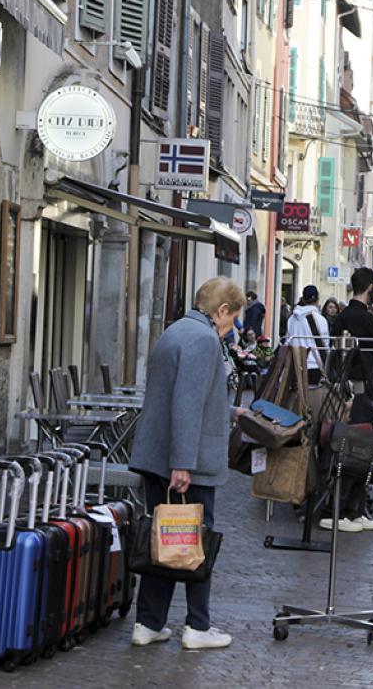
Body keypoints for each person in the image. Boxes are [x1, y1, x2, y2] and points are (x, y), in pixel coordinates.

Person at [129, 276, 246, 650]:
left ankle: (149, 623)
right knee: (198, 541)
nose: (234, 327)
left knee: (162, 538)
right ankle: (197, 625)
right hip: (186, 461)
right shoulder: (205, 340)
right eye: (234, 317)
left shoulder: (177, 330)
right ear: (222, 310)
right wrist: (183, 464)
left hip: (157, 455)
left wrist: (229, 410)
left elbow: (185, 396)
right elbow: (187, 403)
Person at [329, 267, 373, 533]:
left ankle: (353, 507)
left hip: (344, 386)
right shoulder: (364, 318)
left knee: (349, 446)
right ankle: (350, 508)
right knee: (361, 448)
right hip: (361, 388)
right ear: (372, 288)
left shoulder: (343, 315)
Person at [286, 285, 329, 385]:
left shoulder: (292, 319)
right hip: (314, 364)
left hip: (295, 365)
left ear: (303, 299)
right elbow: (324, 345)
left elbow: (288, 341)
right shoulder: (321, 320)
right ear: (318, 299)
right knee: (313, 397)